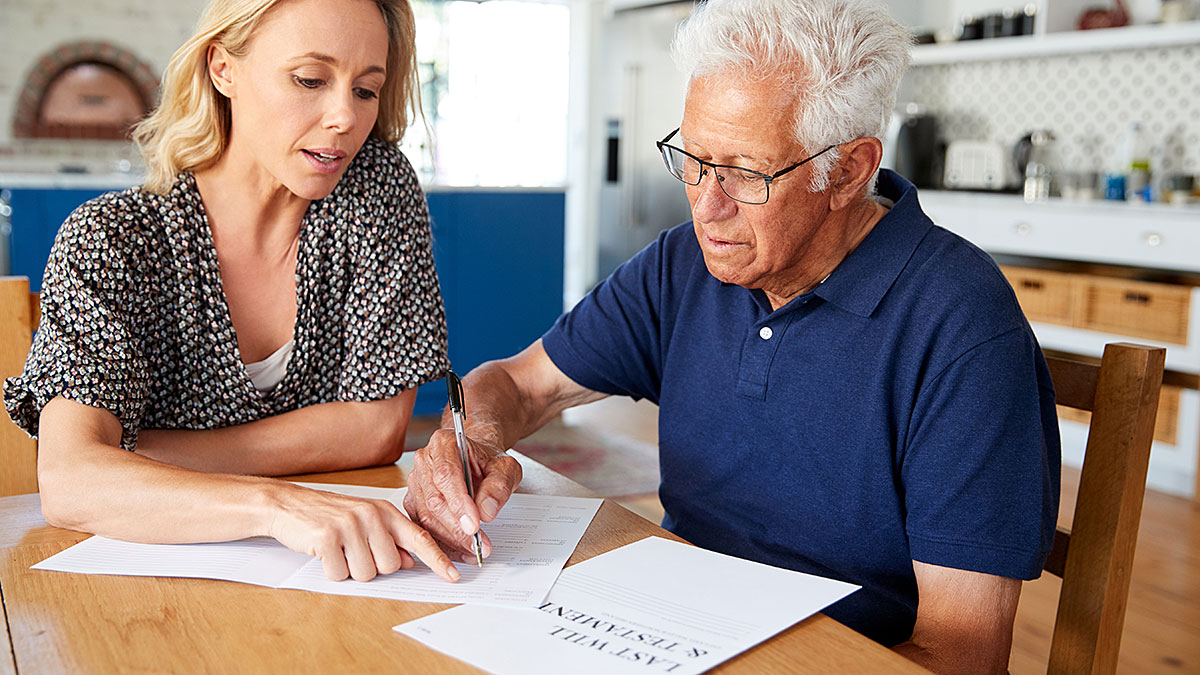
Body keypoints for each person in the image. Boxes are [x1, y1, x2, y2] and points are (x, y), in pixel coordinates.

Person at [403, 0, 1060, 671]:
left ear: (850, 171)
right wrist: (470, 442)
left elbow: (963, 654)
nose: (705, 205)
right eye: (693, 157)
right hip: (660, 629)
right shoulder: (683, 264)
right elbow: (518, 384)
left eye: (745, 172)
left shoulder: (961, 326)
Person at [4, 0, 460, 585]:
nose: (345, 115)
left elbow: (376, 430)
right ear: (223, 69)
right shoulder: (113, 239)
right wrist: (274, 504)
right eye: (309, 79)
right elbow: (70, 482)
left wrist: (134, 457)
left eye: (366, 89)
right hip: (149, 590)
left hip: (327, 580)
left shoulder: (374, 188)